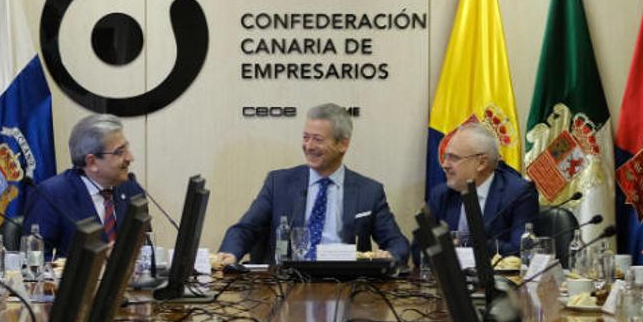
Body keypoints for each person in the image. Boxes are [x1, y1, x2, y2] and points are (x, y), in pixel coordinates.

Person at [217, 103, 410, 265]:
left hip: (346, 285)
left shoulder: (369, 191)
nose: (308, 146)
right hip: (286, 285)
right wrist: (231, 253)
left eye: (317, 139)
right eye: (305, 137)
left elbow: (397, 242)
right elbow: (245, 229)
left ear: (343, 144)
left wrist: (390, 255)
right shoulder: (279, 183)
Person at [24, 114, 144, 257]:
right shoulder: (51, 195)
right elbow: (34, 260)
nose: (130, 157)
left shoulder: (131, 190)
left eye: (127, 149)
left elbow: (145, 247)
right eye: (120, 152)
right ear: (92, 162)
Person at [425, 122, 538, 257]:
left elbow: (521, 250)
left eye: (453, 158)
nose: (444, 165)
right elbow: (418, 251)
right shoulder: (441, 194)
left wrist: (469, 244)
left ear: (481, 163)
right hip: (452, 276)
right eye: (445, 157)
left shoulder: (518, 193)